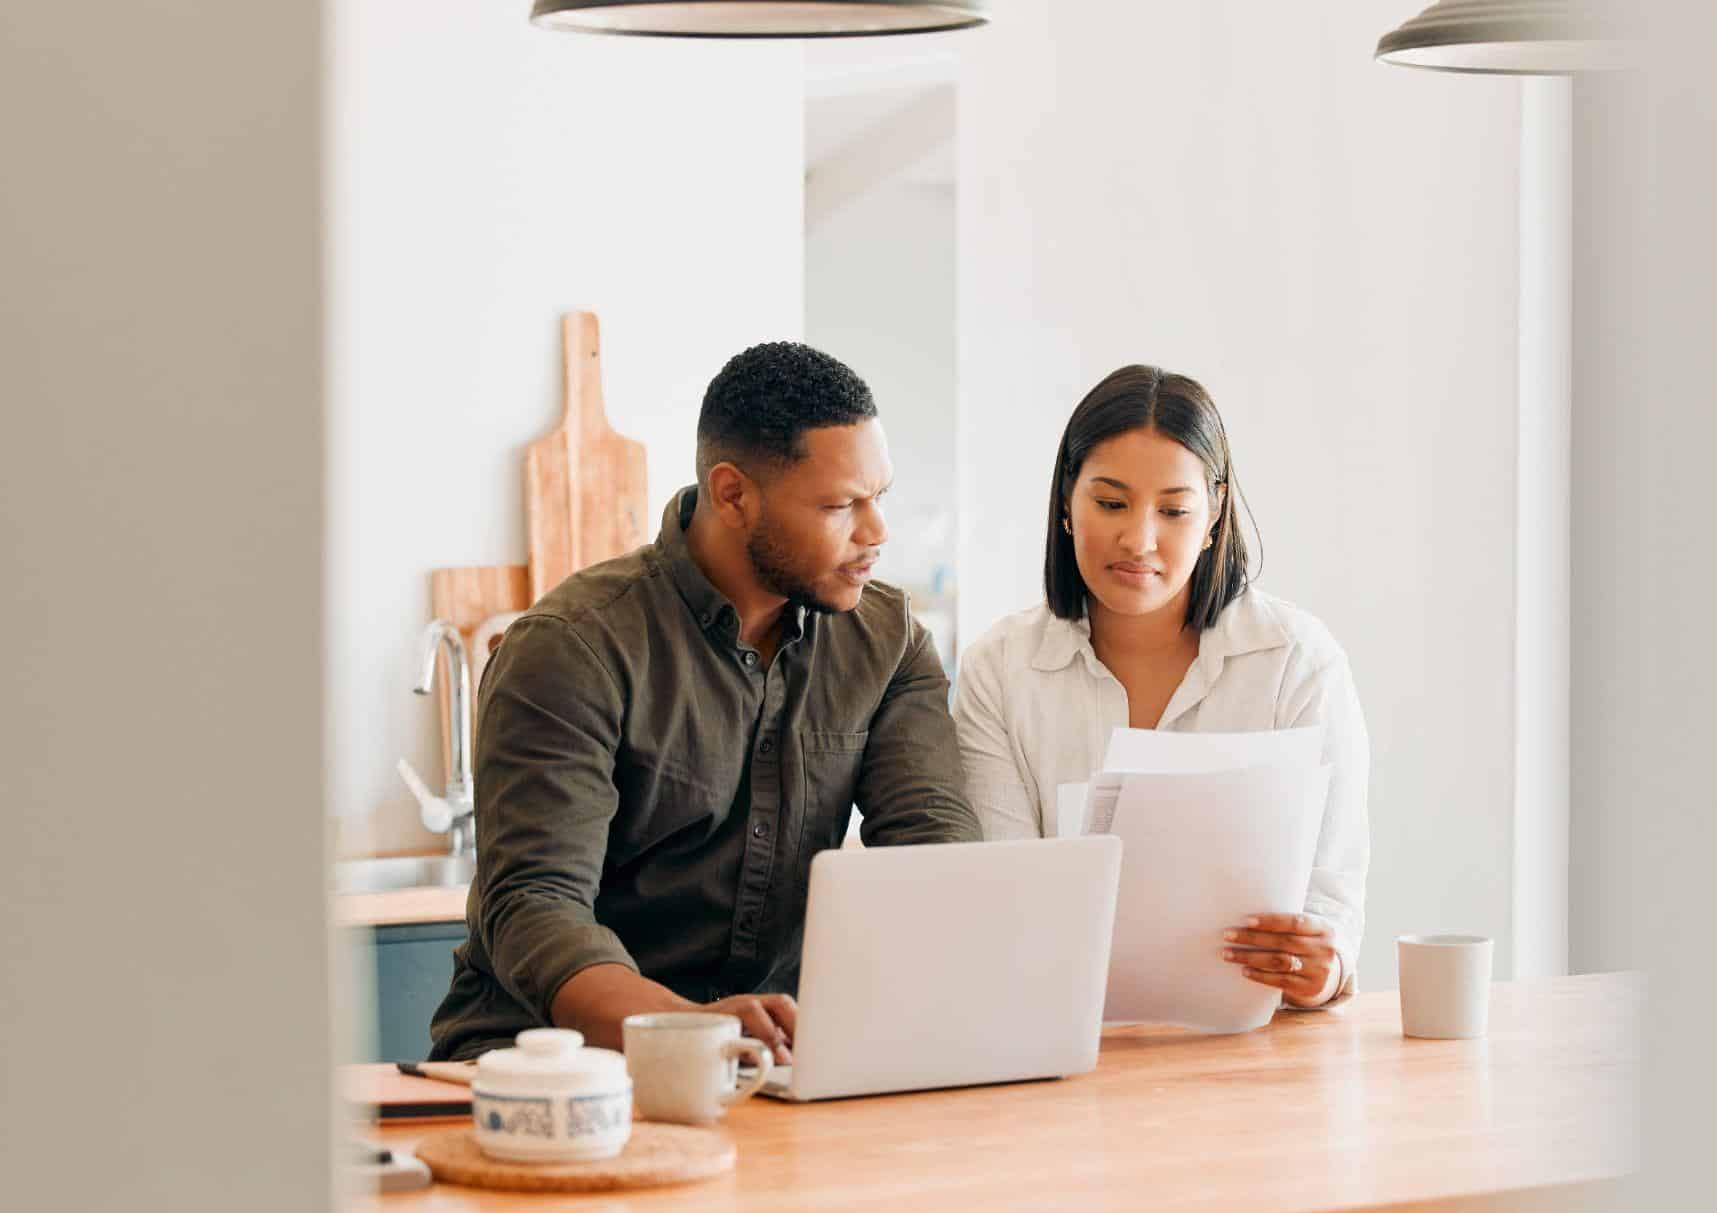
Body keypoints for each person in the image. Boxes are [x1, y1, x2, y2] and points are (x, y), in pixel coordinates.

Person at [429, 342, 981, 1062]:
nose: (876, 533)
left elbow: (932, 852)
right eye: (842, 505)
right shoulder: (572, 647)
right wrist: (696, 1033)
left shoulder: (889, 639)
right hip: (555, 1068)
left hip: (767, 1064)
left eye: (881, 497)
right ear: (732, 495)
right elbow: (536, 906)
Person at [951, 364, 1367, 1009]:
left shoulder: (1296, 661)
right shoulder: (1000, 670)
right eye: (1111, 503)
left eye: (1173, 510)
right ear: (1067, 501)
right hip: (1053, 1036)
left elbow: (1330, 902)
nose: (1138, 539)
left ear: (1214, 514)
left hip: (1249, 1049)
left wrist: (1324, 968)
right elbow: (1004, 896)